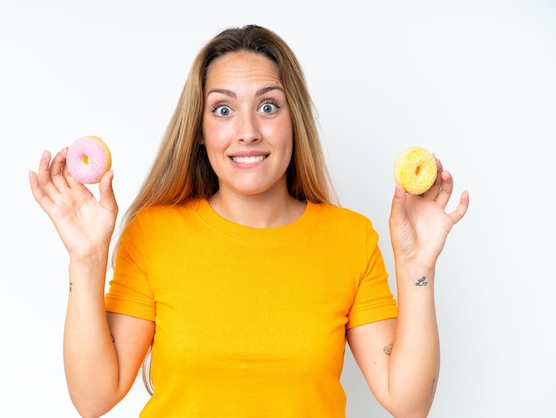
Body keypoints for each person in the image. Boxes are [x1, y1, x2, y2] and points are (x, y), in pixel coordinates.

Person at [29, 24, 469, 418]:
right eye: (223, 110)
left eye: (269, 107)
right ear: (199, 130)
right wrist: (86, 260)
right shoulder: (154, 234)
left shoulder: (350, 238)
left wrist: (417, 268)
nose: (248, 131)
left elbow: (409, 403)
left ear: (294, 118)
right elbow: (93, 399)